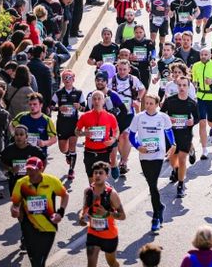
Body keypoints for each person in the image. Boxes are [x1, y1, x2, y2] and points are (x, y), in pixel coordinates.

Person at [10, 156, 69, 267]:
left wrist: (60, 213)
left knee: (39, 262)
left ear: (41, 169)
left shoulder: (51, 181)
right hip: (28, 227)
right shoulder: (21, 183)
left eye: (33, 169)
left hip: (48, 226)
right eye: (28, 169)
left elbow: (65, 195)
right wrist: (14, 211)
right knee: (35, 262)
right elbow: (15, 204)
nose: (30, 172)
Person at [129, 94, 175, 233]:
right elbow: (131, 135)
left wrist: (172, 145)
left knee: (153, 184)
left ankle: (155, 216)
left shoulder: (163, 117)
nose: (148, 105)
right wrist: (138, 146)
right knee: (151, 184)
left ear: (157, 104)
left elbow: (169, 132)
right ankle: (159, 206)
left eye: (151, 103)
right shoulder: (138, 117)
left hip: (158, 154)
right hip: (144, 154)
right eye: (146, 103)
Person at [80, 161, 126, 267]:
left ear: (107, 176)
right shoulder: (88, 191)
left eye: (101, 173)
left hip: (109, 235)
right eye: (95, 173)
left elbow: (122, 216)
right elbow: (84, 209)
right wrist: (81, 217)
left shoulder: (112, 194)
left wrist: (107, 214)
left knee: (112, 263)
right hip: (93, 234)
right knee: (91, 264)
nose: (97, 175)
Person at [161, 76, 199, 197]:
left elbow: (198, 117)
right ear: (176, 86)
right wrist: (168, 119)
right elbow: (161, 114)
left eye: (184, 85)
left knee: (182, 159)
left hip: (185, 135)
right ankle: (176, 170)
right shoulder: (170, 101)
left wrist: (193, 122)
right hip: (172, 135)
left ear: (188, 87)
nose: (182, 88)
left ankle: (181, 185)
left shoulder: (191, 103)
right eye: (180, 85)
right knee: (173, 160)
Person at [76, 90, 119, 183]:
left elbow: (116, 130)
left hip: (104, 152)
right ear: (91, 101)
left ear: (103, 101)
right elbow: (76, 131)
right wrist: (84, 133)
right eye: (94, 99)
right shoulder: (85, 116)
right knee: (92, 183)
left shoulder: (110, 116)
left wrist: (113, 139)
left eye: (99, 99)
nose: (96, 101)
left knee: (101, 182)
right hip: (89, 153)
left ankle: (103, 196)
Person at [191, 47, 212, 159]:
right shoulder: (196, 66)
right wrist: (194, 83)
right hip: (200, 97)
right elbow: (194, 79)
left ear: (210, 55)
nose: (203, 56)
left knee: (211, 123)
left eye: (206, 54)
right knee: (202, 122)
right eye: (202, 54)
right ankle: (204, 150)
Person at [52, 69, 85, 180]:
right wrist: (58, 108)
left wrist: (79, 107)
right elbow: (50, 106)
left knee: (72, 146)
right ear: (62, 80)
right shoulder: (58, 93)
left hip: (74, 123)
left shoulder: (79, 93)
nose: (67, 80)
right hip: (62, 123)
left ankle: (71, 170)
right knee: (63, 149)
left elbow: (85, 108)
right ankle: (67, 155)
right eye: (65, 78)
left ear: (73, 79)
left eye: (69, 78)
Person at [0, 125, 46, 199]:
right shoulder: (9, 149)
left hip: (31, 182)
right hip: (14, 182)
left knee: (29, 205)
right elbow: (1, 162)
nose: (19, 137)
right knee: (17, 205)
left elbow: (44, 160)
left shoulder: (34, 150)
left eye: (21, 134)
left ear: (26, 136)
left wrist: (39, 173)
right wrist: (10, 169)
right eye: (16, 134)